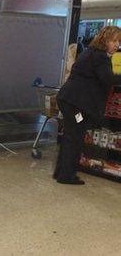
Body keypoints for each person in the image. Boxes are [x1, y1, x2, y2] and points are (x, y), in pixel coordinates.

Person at [54, 26, 121, 185]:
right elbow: (108, 79)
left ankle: (61, 173)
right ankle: (67, 176)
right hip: (77, 104)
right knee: (75, 138)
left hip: (70, 100)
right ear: (105, 40)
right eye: (115, 41)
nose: (117, 45)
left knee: (70, 137)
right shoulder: (100, 57)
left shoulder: (90, 52)